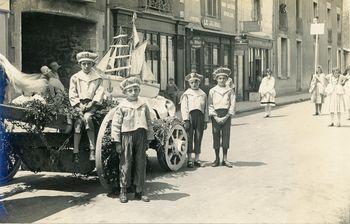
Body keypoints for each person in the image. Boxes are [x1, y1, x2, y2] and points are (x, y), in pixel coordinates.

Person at [111, 76, 154, 203]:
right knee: (126, 163)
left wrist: (148, 139)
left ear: (139, 91)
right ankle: (123, 190)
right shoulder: (122, 107)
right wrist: (117, 142)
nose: (133, 93)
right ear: (125, 93)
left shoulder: (143, 105)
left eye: (136, 90)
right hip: (127, 136)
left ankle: (139, 191)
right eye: (130, 91)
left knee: (141, 162)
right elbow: (116, 125)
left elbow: (149, 122)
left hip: (141, 135)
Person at [69, 51, 104, 162]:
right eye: (84, 64)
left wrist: (92, 103)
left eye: (89, 64)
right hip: (79, 104)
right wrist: (78, 105)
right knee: (78, 122)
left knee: (88, 119)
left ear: (92, 65)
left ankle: (92, 150)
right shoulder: (75, 77)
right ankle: (75, 152)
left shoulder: (97, 78)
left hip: (92, 104)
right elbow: (72, 92)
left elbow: (99, 92)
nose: (86, 66)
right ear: (80, 65)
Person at [208, 67, 235, 168]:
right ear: (216, 79)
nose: (222, 80)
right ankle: (216, 158)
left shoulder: (230, 90)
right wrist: (215, 116)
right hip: (216, 115)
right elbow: (210, 104)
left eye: (224, 78)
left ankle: (225, 158)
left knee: (226, 136)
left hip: (226, 114)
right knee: (216, 135)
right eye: (220, 78)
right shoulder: (212, 91)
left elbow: (232, 104)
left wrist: (227, 116)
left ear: (227, 79)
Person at [180, 72, 208, 168]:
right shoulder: (186, 94)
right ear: (189, 83)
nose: (194, 84)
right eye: (192, 82)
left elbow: (206, 108)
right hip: (190, 117)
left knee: (198, 137)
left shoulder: (203, 94)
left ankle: (197, 159)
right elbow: (184, 107)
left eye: (196, 82)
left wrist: (205, 120)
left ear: (199, 83)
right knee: (189, 137)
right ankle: (189, 159)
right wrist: (186, 120)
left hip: (200, 116)